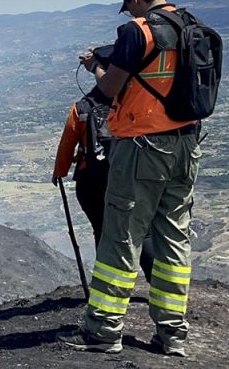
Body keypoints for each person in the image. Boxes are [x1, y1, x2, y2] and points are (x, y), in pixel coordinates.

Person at [59, 0, 202, 358]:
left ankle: (104, 331)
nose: (129, 13)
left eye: (129, 6)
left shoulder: (138, 32)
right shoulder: (191, 26)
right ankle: (172, 335)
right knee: (173, 239)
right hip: (187, 144)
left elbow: (109, 89)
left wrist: (95, 66)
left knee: (121, 236)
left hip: (143, 147)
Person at [52, 84, 154, 280]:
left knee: (101, 230)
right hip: (130, 178)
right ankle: (159, 283)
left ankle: (108, 284)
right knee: (143, 231)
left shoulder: (81, 108)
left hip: (90, 181)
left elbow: (68, 142)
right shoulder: (133, 101)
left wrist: (59, 171)